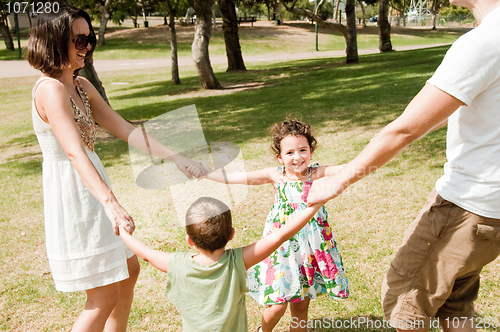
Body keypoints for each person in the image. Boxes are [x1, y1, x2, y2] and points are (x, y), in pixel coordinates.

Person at [306, 0, 500, 330]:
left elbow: (404, 131)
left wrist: (341, 179)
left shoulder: (484, 41)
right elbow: (451, 109)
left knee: (404, 300)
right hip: (490, 216)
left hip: (465, 209)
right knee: (454, 302)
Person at [27, 4, 205, 331]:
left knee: (128, 271)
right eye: (79, 40)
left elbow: (126, 129)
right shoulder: (50, 89)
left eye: (90, 37)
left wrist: (175, 156)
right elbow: (73, 153)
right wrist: (110, 203)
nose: (89, 45)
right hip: (76, 192)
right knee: (103, 296)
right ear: (54, 41)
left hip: (92, 182)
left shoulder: (81, 86)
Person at [198, 118, 349, 332]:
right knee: (278, 304)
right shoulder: (276, 176)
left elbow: (351, 168)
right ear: (279, 157)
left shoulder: (316, 173)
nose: (297, 157)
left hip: (308, 250)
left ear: (311, 151)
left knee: (301, 307)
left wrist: (385, 151)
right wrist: (204, 173)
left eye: (302, 150)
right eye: (289, 153)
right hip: (282, 248)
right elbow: (236, 177)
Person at [118, 196, 321, 332]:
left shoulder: (177, 264)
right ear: (232, 234)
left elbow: (146, 253)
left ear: (189, 240)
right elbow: (280, 236)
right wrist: (315, 205)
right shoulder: (238, 262)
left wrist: (123, 231)